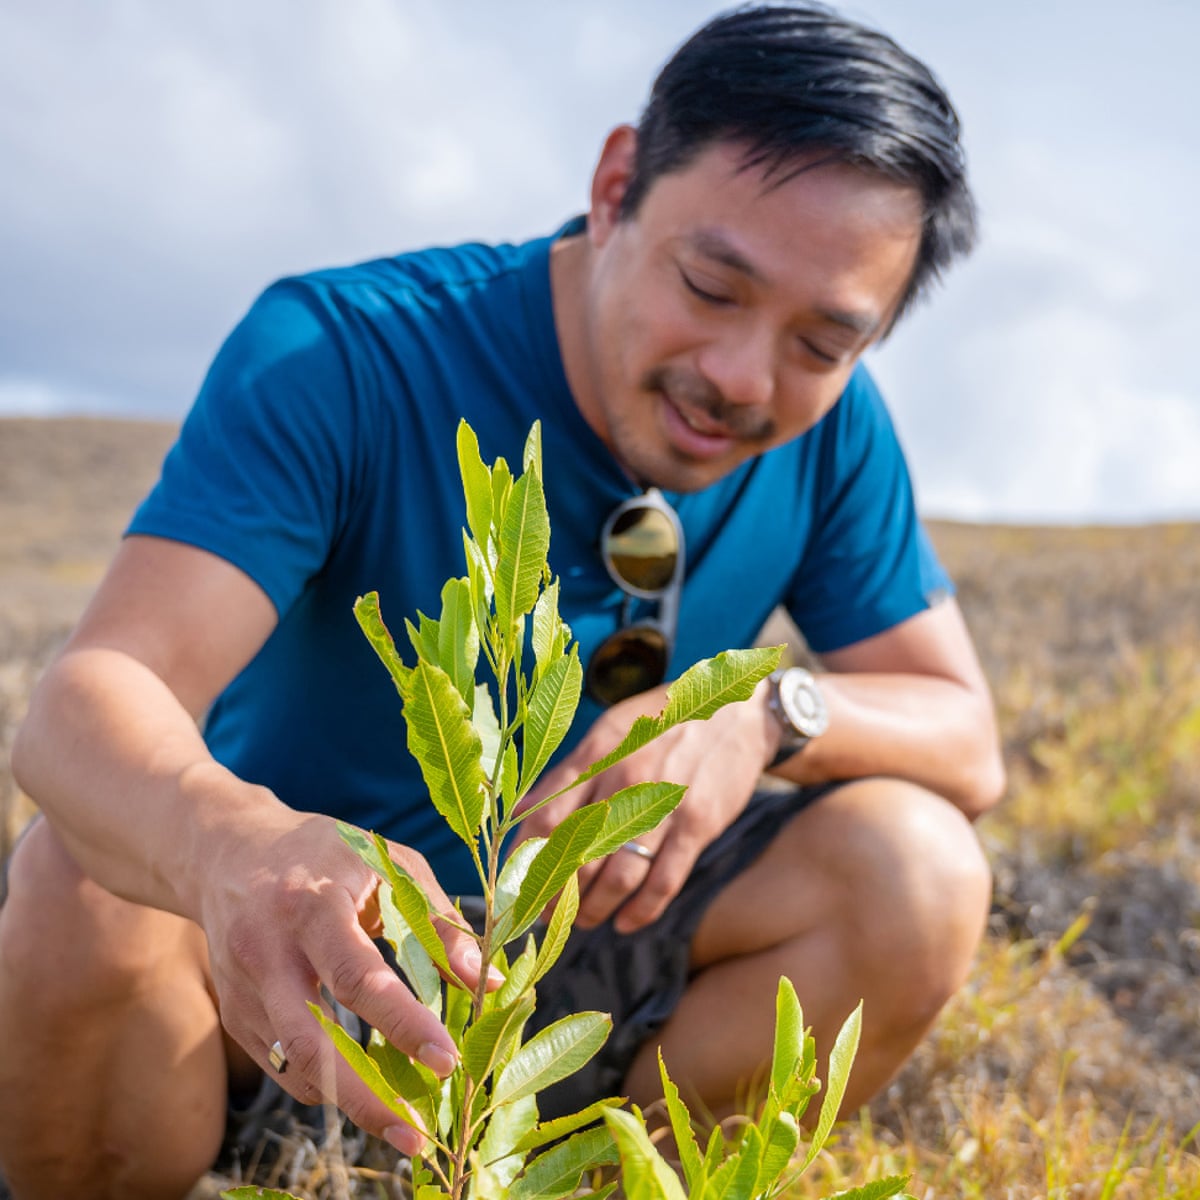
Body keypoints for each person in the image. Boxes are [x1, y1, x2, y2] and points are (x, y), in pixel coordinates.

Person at [0, 4, 1005, 1197]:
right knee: (84, 871)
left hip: (558, 979)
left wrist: (761, 714)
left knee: (916, 870)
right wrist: (233, 845)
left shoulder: (832, 436)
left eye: (824, 344)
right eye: (711, 285)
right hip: (278, 966)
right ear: (616, 184)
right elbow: (87, 704)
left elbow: (966, 739)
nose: (743, 378)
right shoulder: (343, 352)